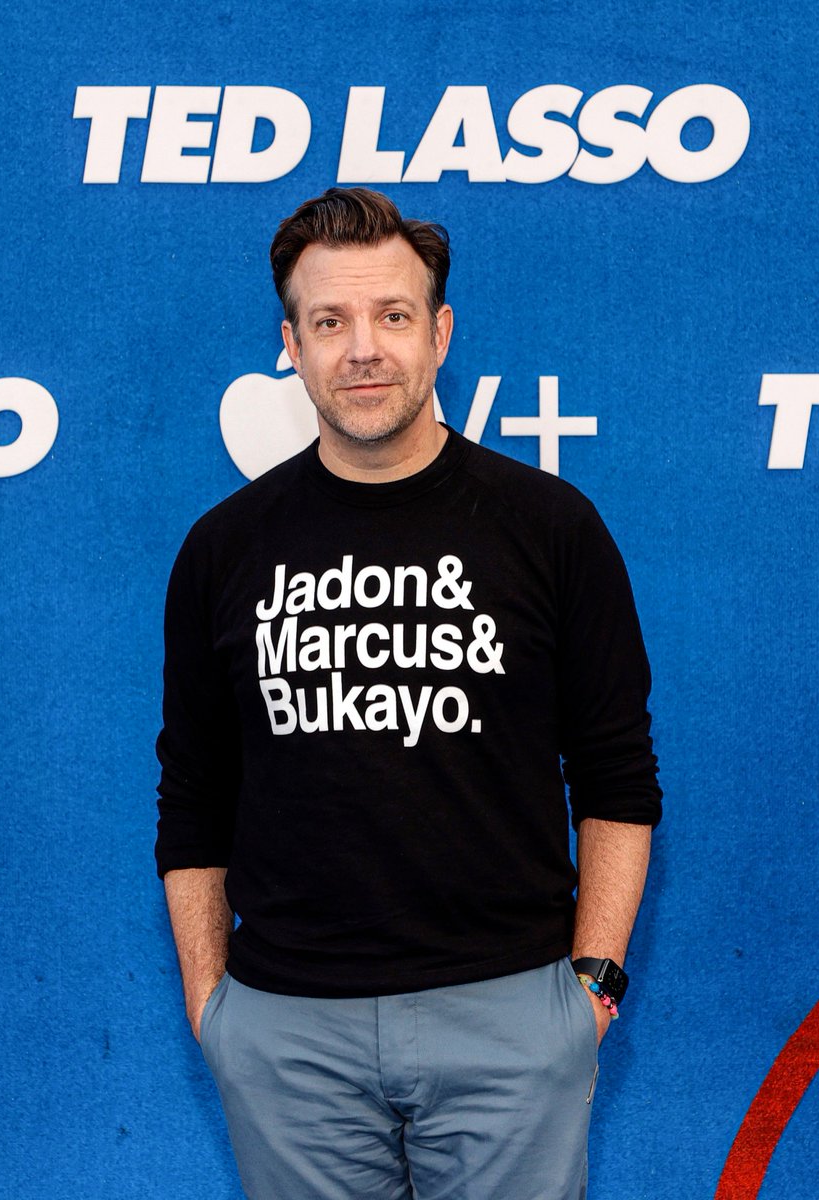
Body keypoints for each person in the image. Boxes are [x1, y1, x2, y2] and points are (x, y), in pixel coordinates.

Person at [155, 187, 661, 1200]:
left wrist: (592, 984)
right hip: (288, 1029)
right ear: (290, 344)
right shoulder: (223, 549)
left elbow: (617, 780)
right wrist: (215, 1008)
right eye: (329, 321)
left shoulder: (551, 528)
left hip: (511, 1017)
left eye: (392, 315)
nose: (363, 349)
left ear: (440, 333)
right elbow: (194, 803)